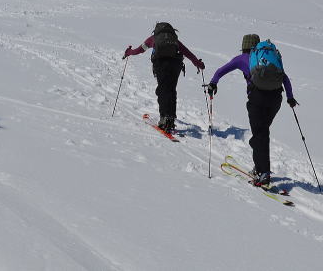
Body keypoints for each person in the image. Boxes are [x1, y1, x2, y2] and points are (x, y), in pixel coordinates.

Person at [207, 34, 298, 186]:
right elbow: (285, 79)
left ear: (244, 46)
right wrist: (290, 97)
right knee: (262, 133)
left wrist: (213, 84)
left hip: (257, 99)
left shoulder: (242, 58)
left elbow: (220, 71)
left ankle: (264, 173)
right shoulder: (269, 58)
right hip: (276, 99)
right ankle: (260, 167)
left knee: (259, 135)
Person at [124, 22, 205, 131]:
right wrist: (198, 63)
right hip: (175, 64)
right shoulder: (174, 40)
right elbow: (187, 53)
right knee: (171, 90)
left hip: (160, 63)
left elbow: (139, 50)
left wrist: (129, 52)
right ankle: (170, 118)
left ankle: (164, 118)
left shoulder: (153, 39)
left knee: (162, 90)